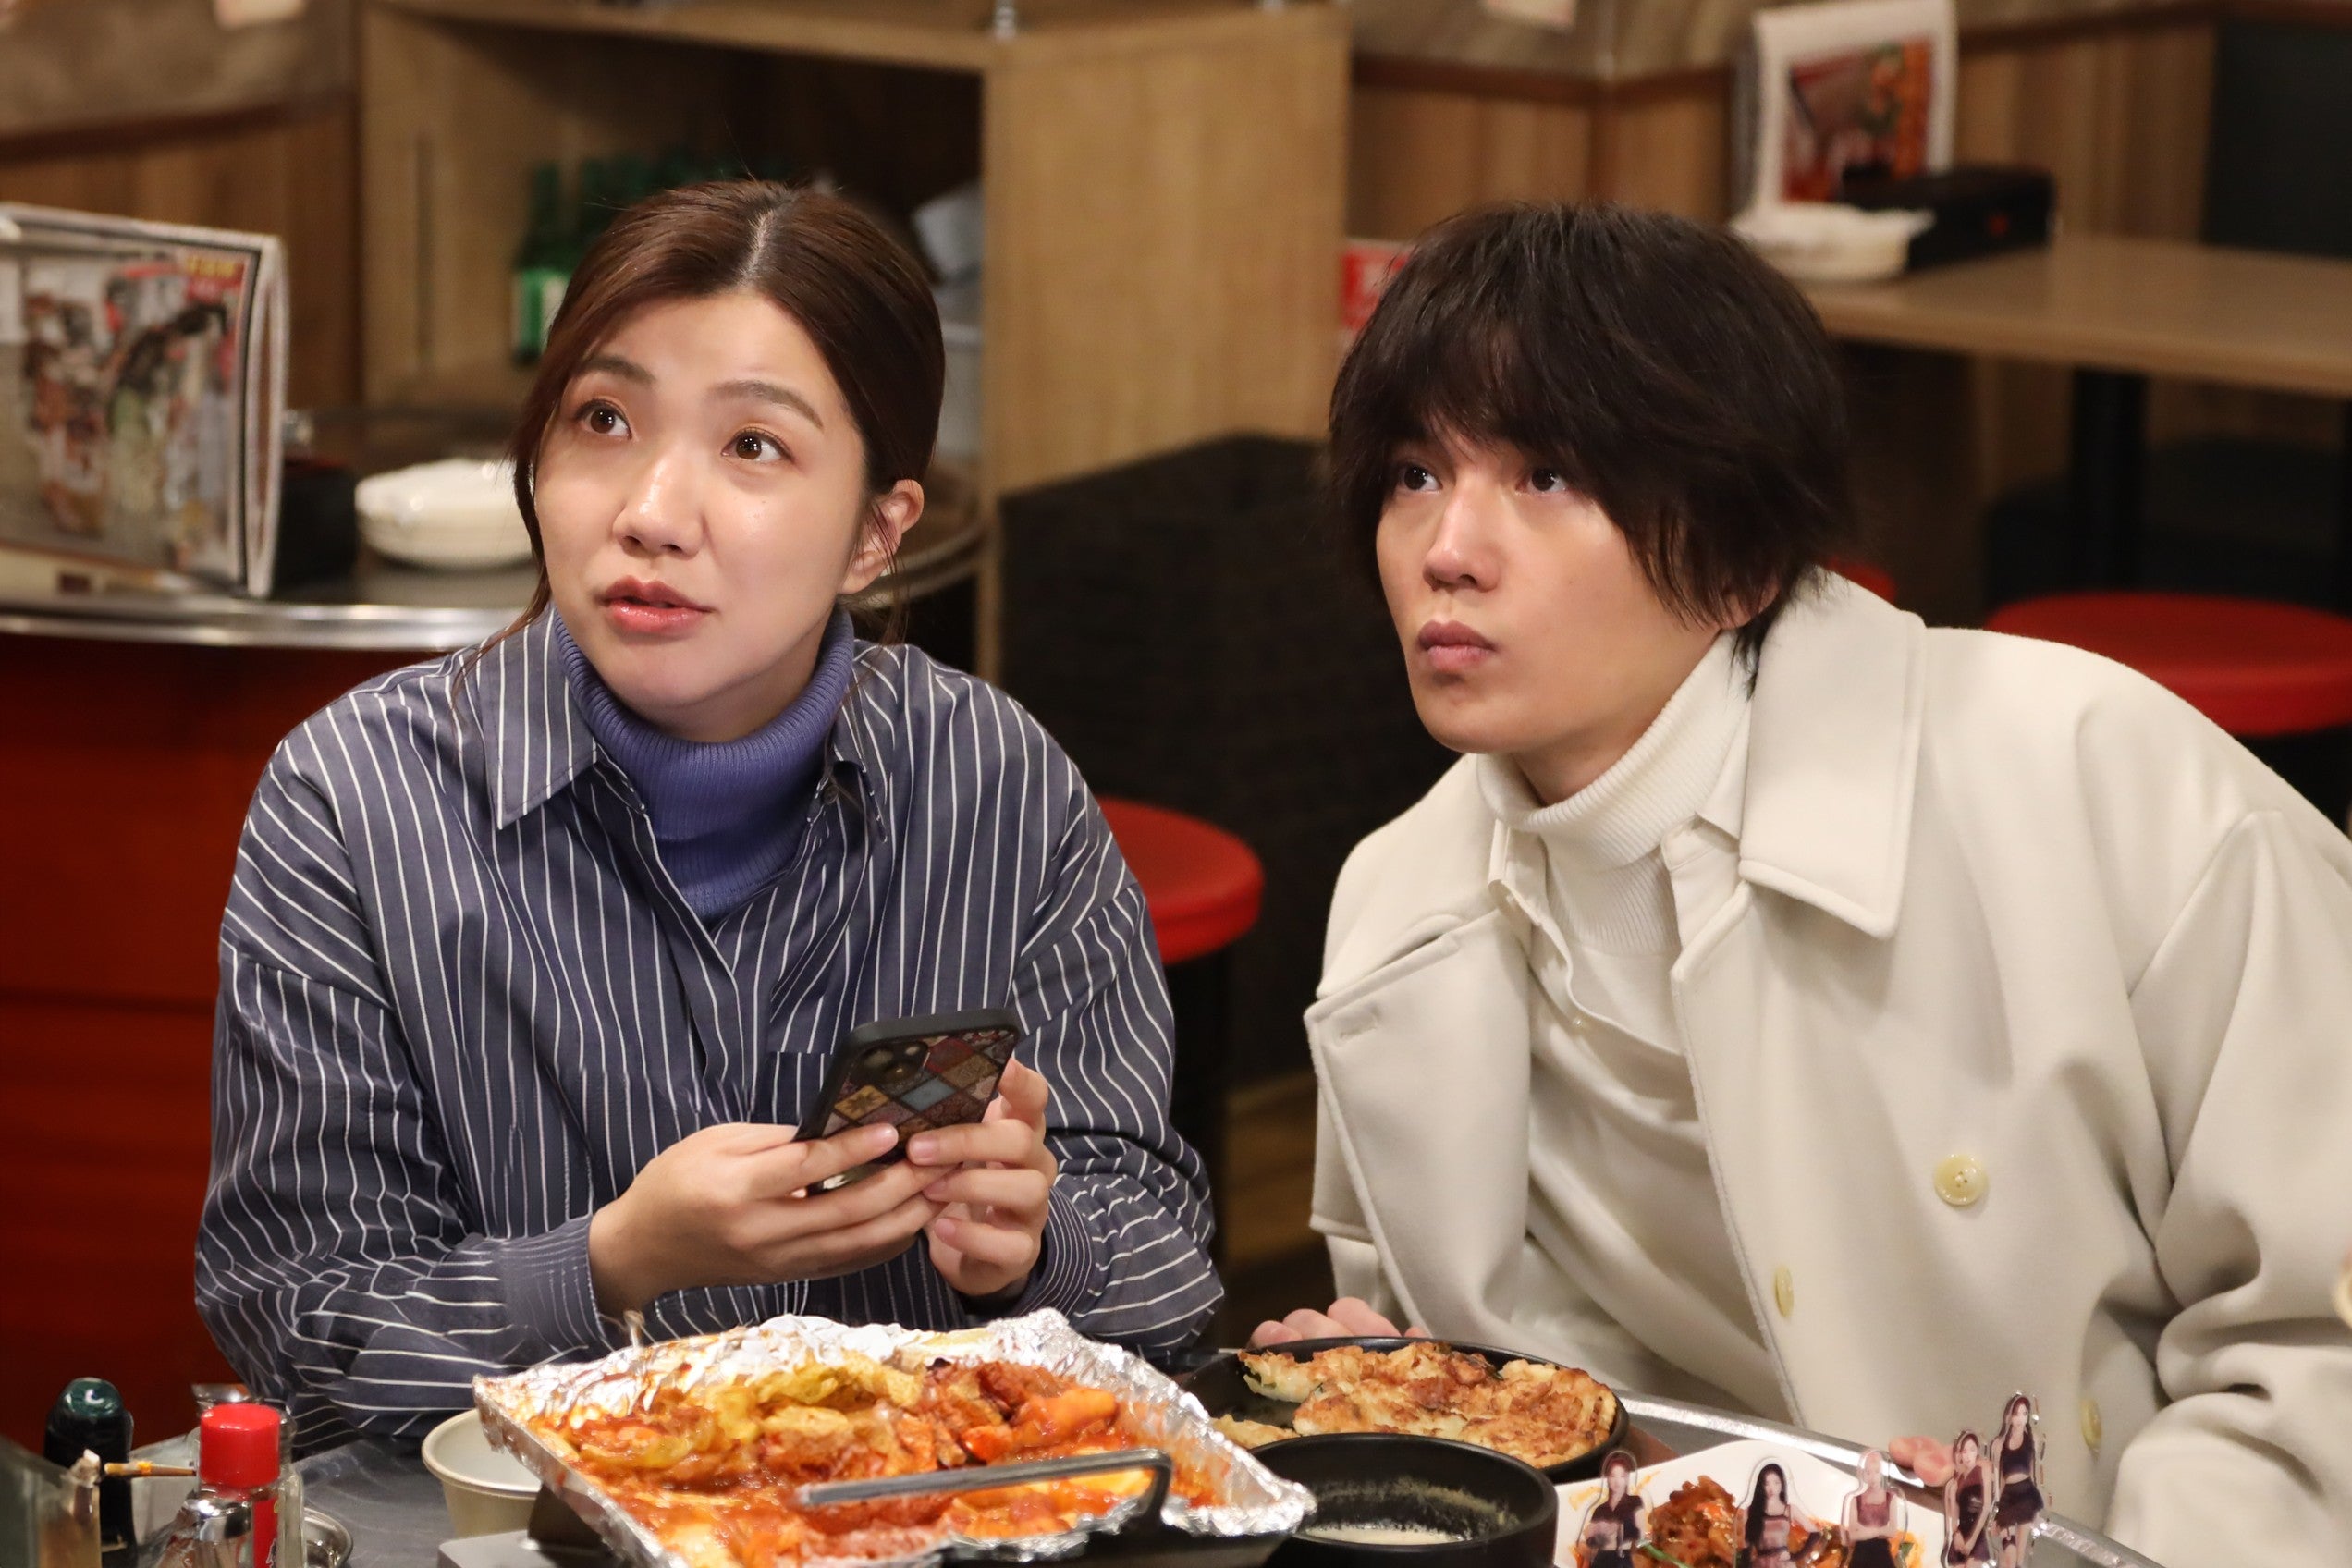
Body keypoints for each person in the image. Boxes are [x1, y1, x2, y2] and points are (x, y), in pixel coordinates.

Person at [1256, 202, 2352, 1568]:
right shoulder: (1395, 915)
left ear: (1738, 558)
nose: (1448, 548)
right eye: (1415, 473)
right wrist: (1428, 1412)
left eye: (1545, 476)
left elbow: (2317, 1344)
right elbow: (1587, 1434)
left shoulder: (2091, 779)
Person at [196, 184, 1218, 1449]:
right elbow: (297, 1320)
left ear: (875, 533)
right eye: (604, 420)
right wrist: (613, 1260)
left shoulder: (994, 780)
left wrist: (1034, 1246)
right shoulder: (355, 800)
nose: (651, 514)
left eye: (753, 446)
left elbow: (1169, 1266)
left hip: (901, 1516)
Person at [1990, 1396, 2042, 1567]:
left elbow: (2034, 1474)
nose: (2020, 1419)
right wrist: (1995, 1512)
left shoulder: (2032, 1439)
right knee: (2009, 1549)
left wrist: (2037, 1510)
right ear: (2009, 1416)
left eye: (2024, 1414)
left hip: (2027, 1496)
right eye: (2016, 1414)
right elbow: (1999, 1482)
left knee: (2019, 1558)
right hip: (2008, 1498)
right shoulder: (1999, 1445)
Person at [1578, 1450, 1645, 1568]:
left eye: (1622, 1476)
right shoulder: (1599, 1509)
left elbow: (1642, 1534)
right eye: (1613, 1476)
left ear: (1627, 1478)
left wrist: (1617, 1529)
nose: (1617, 1481)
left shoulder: (1635, 1501)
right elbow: (1588, 1542)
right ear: (1607, 1479)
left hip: (1627, 1558)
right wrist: (1597, 1530)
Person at [1842, 1451, 1903, 1568]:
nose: (1873, 1477)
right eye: (1868, 1472)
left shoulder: (1891, 1498)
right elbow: (1853, 1535)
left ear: (1882, 1473)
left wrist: (1866, 1531)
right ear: (1862, 1474)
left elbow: (1892, 1531)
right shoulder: (1856, 1500)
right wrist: (1881, 1531)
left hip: (1882, 1551)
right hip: (1860, 1552)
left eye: (1877, 1471)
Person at [1943, 1433, 1993, 1567]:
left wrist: (1972, 1540)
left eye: (1972, 1450)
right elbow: (1954, 1518)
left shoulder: (1983, 1471)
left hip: (1977, 1534)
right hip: (1961, 1534)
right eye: (1964, 1451)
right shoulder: (1955, 1484)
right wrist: (1956, 1534)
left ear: (1977, 1451)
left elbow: (1986, 1507)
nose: (1968, 1456)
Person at [1743, 1463, 1796, 1568]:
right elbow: (1746, 1546)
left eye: (1776, 1483)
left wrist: (1797, 1555)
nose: (1772, 1488)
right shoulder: (1750, 1512)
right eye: (1766, 1484)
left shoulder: (1789, 1509)